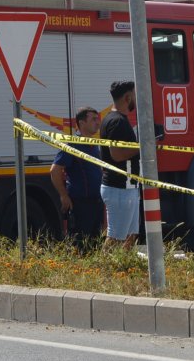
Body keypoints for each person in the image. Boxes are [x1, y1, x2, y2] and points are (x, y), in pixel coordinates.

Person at [49, 106, 105, 245]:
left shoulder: (94, 143)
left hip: (96, 202)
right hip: (80, 204)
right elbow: (55, 171)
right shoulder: (72, 144)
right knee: (80, 245)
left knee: (95, 244)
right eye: (93, 119)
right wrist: (63, 195)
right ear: (81, 123)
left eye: (97, 119)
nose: (97, 122)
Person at [100, 81, 140, 249]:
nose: (136, 100)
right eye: (135, 96)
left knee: (131, 236)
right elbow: (115, 154)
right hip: (119, 188)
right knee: (115, 238)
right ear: (127, 97)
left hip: (127, 187)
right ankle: (103, 272)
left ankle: (122, 271)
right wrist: (142, 148)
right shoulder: (117, 121)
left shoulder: (118, 119)